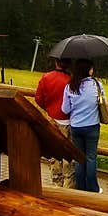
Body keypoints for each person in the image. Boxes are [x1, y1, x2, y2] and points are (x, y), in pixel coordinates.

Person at [61, 58, 103, 193]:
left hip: (76, 126)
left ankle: (80, 187)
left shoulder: (70, 86)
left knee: (79, 158)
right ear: (89, 70)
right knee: (91, 157)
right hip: (92, 126)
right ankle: (92, 188)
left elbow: (65, 109)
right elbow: (103, 103)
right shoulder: (97, 85)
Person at [34, 57, 73, 187]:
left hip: (52, 120)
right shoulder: (71, 81)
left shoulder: (46, 77)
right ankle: (69, 185)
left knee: (54, 154)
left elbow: (38, 98)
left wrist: (48, 108)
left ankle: (56, 184)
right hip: (68, 121)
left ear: (56, 63)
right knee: (68, 154)